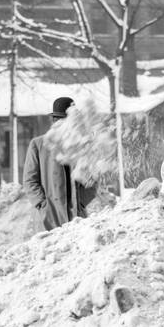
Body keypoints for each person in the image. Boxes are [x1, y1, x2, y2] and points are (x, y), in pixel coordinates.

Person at [23, 97, 99, 229]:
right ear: (54, 121)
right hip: (49, 216)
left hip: (76, 216)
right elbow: (30, 180)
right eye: (59, 119)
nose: (62, 123)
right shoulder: (38, 144)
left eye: (66, 120)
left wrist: (81, 203)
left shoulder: (81, 145)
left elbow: (92, 179)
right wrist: (42, 204)